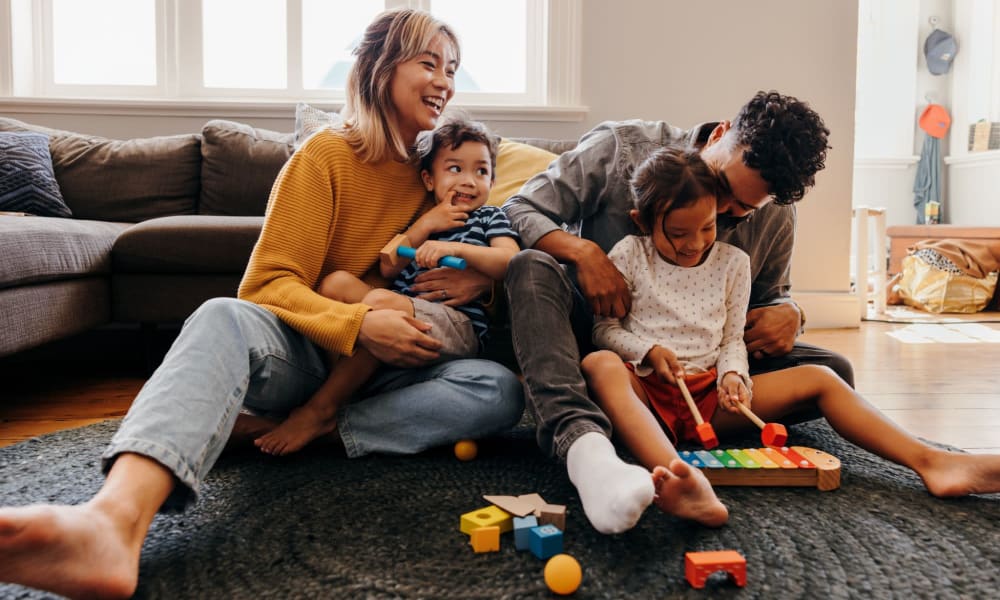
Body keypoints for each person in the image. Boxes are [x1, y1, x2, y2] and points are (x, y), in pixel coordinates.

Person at [0, 9, 524, 599]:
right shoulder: (325, 156)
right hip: (312, 353)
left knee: (497, 390)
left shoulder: (442, 173)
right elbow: (269, 283)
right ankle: (110, 523)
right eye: (429, 63)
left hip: (399, 370)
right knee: (221, 314)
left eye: (452, 69)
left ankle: (303, 429)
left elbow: (488, 252)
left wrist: (481, 282)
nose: (445, 81)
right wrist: (359, 323)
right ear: (380, 68)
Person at [581, 147, 1000, 530]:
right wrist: (649, 352)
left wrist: (733, 377)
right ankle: (682, 478)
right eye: (677, 233)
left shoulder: (733, 264)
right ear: (643, 221)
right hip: (646, 394)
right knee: (598, 364)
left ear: (718, 213)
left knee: (821, 376)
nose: (694, 245)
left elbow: (732, 341)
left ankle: (933, 462)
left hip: (708, 398)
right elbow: (605, 331)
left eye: (706, 227)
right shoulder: (629, 256)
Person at [502, 91, 851, 534]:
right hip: (590, 339)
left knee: (834, 370)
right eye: (722, 188)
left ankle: (658, 423)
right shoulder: (619, 149)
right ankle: (583, 440)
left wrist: (791, 312)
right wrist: (584, 253)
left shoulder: (777, 213)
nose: (720, 213)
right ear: (721, 134)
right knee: (530, 267)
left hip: (698, 368)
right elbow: (518, 208)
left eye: (740, 211)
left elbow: (768, 299)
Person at [255, 117, 520, 455]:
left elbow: (510, 261)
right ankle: (349, 396)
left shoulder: (490, 217)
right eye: (455, 169)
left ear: (492, 180)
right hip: (400, 315)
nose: (468, 181)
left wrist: (456, 249)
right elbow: (388, 264)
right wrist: (425, 225)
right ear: (429, 178)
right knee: (337, 283)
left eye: (481, 172)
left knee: (382, 302)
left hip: (454, 324)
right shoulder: (424, 217)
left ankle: (322, 409)